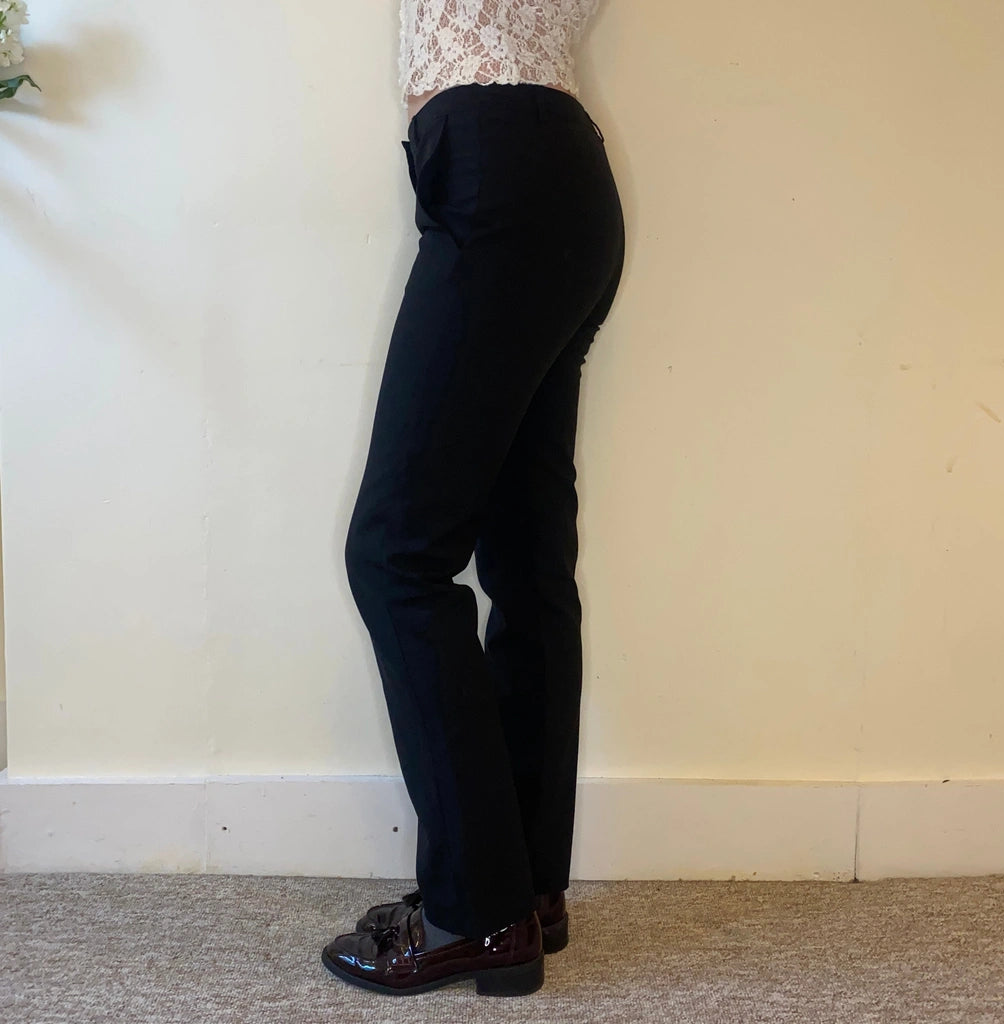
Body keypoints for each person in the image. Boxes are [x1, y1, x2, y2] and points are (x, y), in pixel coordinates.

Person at [321, 0, 624, 998]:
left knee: (396, 555)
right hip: (559, 176)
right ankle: (523, 891)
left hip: (500, 167)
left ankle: (473, 910)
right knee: (526, 556)